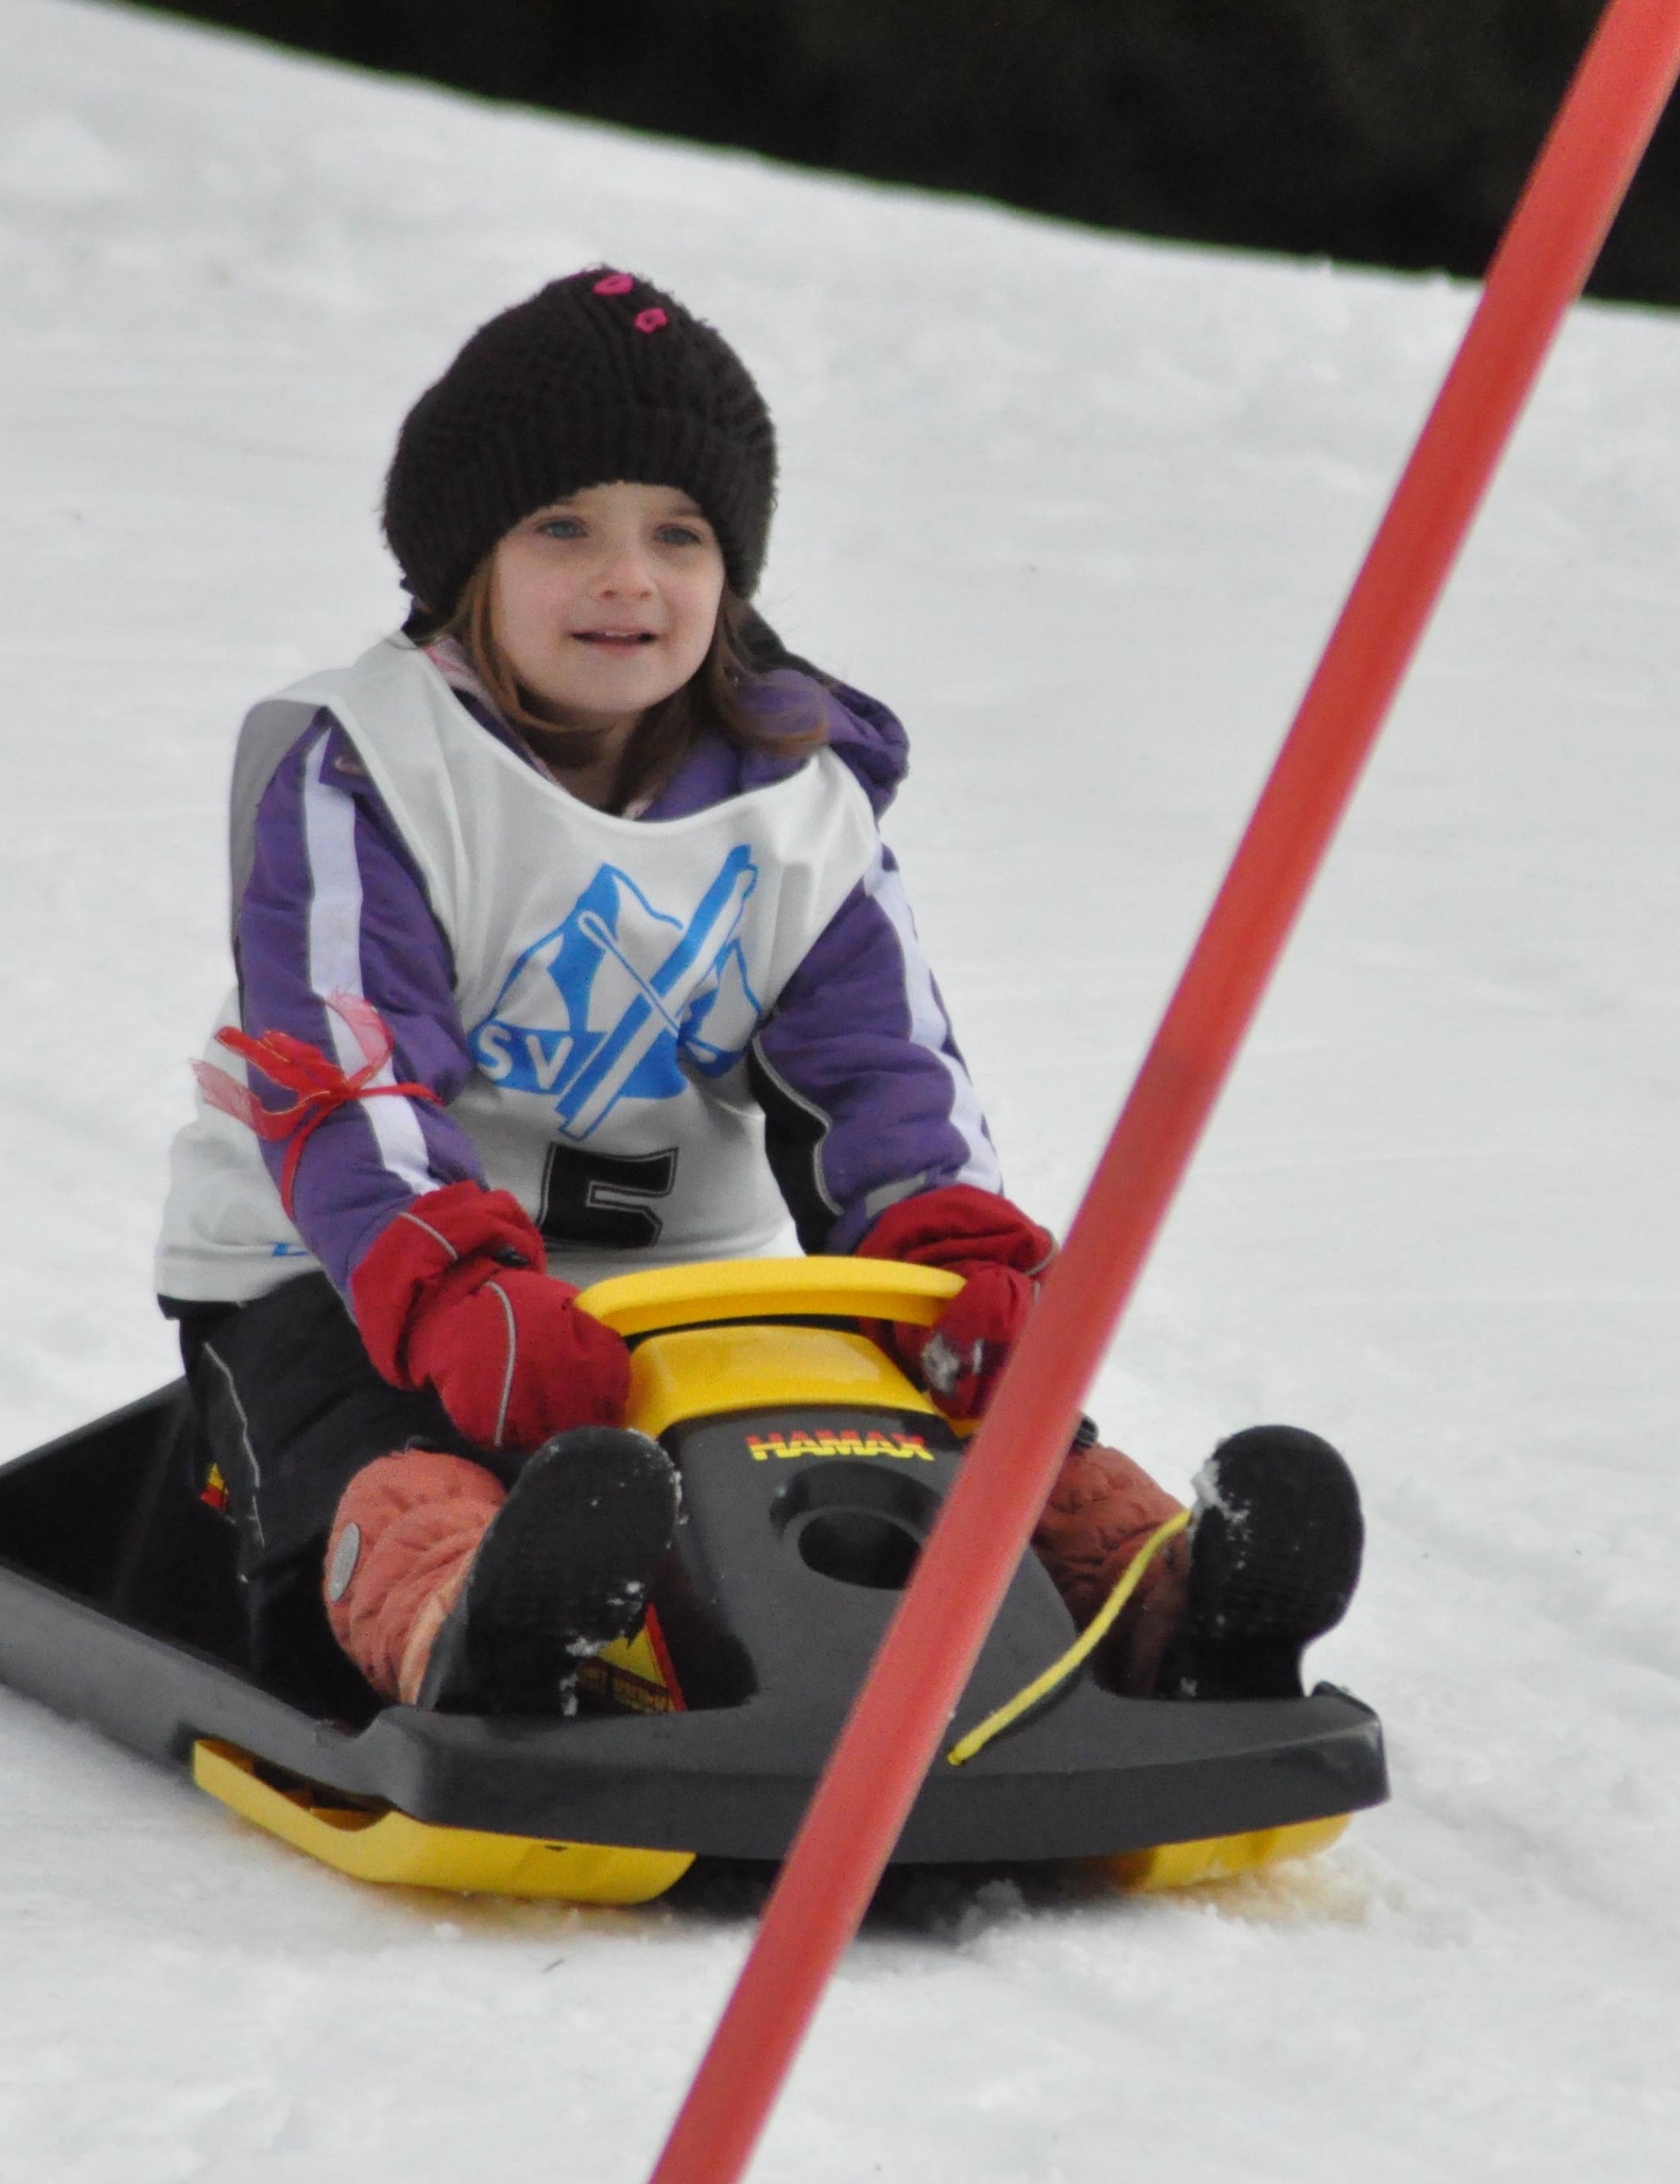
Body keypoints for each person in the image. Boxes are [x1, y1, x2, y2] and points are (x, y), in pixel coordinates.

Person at [153, 267, 1363, 1716]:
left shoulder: (800, 800)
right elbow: (348, 1074)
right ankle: (473, 1626)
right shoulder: (370, 765)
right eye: (563, 528)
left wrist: (951, 1260)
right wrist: (462, 1293)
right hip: (358, 1270)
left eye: (679, 534)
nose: (629, 578)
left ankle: (1159, 1603)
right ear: (463, 562)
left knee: (935, 1410)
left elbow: (882, 1074)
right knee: (377, 1439)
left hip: (682, 1290)